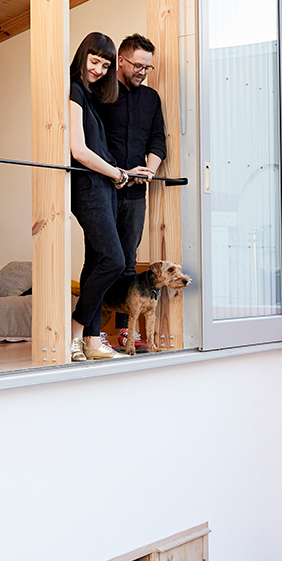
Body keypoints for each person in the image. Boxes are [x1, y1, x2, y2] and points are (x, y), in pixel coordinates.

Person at [69, 33, 153, 362]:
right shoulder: (74, 90)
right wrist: (117, 174)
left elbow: (99, 149)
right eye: (95, 62)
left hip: (104, 184)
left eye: (104, 65)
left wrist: (124, 173)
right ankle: (76, 330)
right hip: (88, 185)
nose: (99, 70)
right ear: (82, 57)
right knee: (115, 261)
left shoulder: (91, 96)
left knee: (98, 262)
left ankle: (91, 339)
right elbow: (79, 150)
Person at [96, 33, 166, 349]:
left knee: (127, 261)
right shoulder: (99, 93)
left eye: (147, 67)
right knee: (99, 258)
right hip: (103, 189)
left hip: (137, 194)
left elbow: (157, 141)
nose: (142, 72)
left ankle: (124, 332)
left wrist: (149, 170)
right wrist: (118, 173)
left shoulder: (151, 99)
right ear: (121, 61)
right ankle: (92, 332)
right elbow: (92, 143)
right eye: (138, 65)